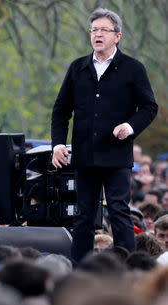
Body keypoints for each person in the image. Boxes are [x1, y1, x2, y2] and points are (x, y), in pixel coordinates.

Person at [51, 8, 158, 264]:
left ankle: (127, 268)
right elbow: (61, 110)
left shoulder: (133, 68)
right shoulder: (78, 68)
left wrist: (130, 127)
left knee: (119, 212)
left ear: (117, 36)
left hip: (116, 155)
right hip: (84, 155)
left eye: (103, 30)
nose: (97, 35)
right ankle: (81, 270)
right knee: (83, 215)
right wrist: (57, 144)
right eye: (94, 30)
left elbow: (149, 108)